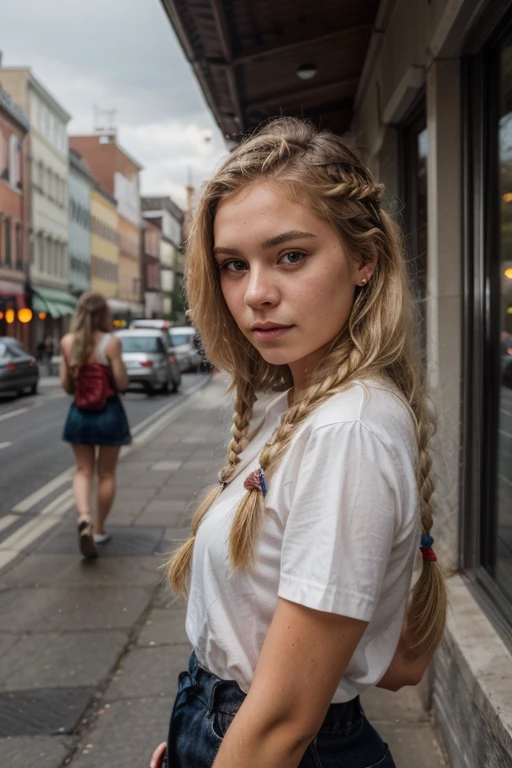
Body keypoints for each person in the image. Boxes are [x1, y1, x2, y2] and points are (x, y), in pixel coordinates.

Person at [150, 117, 447, 768]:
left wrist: (225, 732)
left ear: (364, 258)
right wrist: (198, 730)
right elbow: (400, 663)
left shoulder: (347, 430)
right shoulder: (304, 406)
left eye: (290, 255)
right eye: (233, 265)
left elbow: (283, 724)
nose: (255, 294)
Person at [60, 292, 131, 560]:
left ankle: (84, 518)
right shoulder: (111, 344)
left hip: (79, 414)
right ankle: (99, 530)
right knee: (106, 475)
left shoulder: (67, 342)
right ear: (103, 314)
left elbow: (67, 386)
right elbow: (122, 383)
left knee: (82, 470)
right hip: (108, 412)